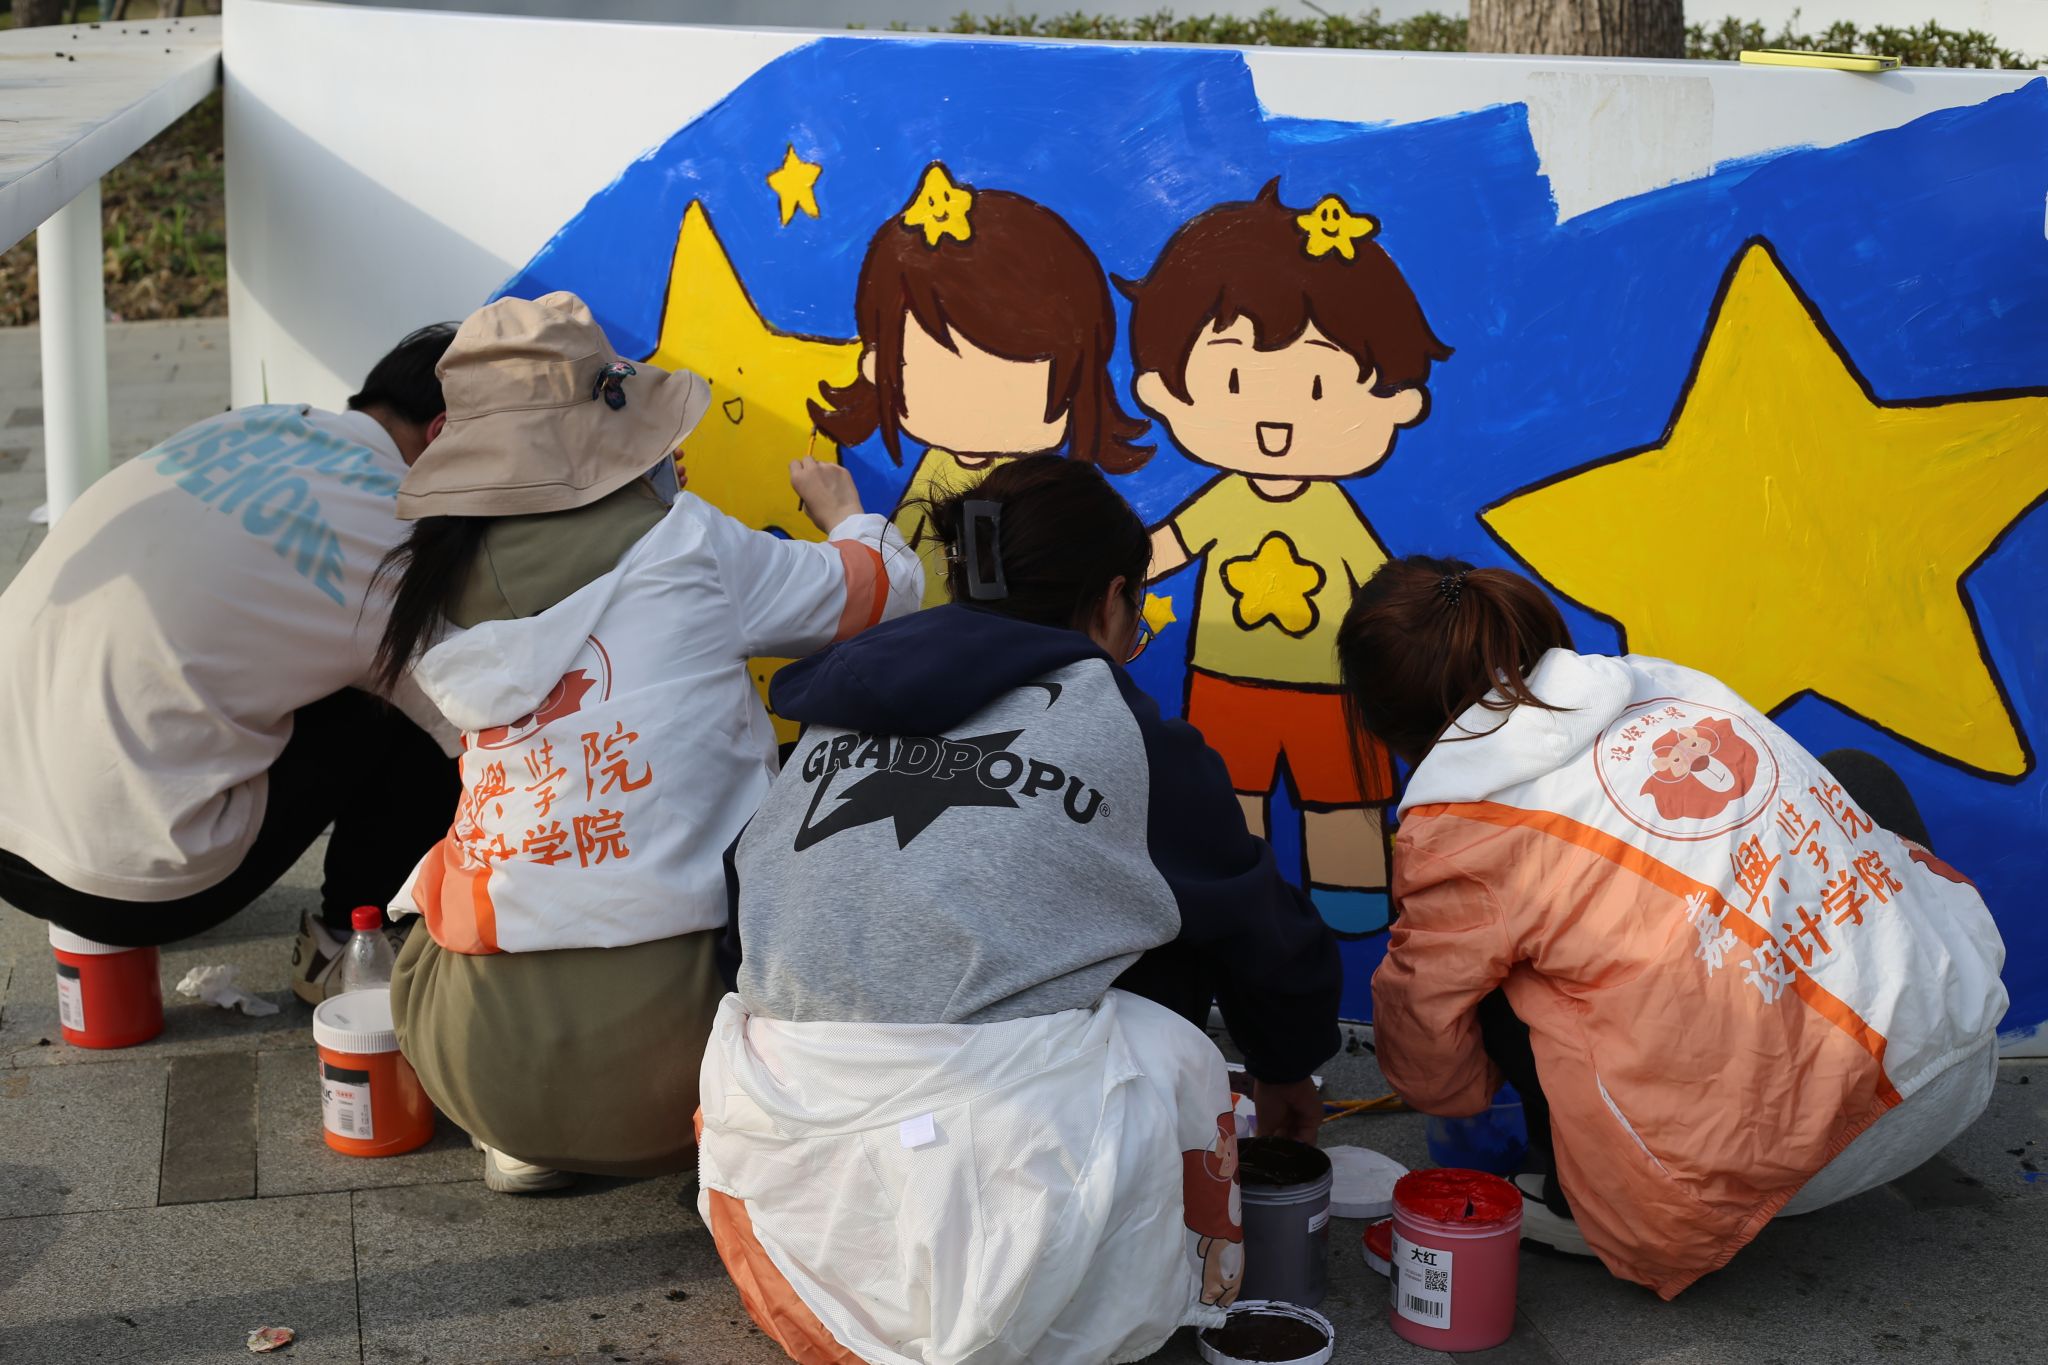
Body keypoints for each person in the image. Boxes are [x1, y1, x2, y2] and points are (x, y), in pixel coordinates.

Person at [700, 456, 1343, 1365]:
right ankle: (1105, 1282)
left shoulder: (836, 708)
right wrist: (1284, 1066)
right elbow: (1259, 928)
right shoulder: (1129, 735)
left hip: (780, 1155)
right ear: (1114, 599)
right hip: (1012, 1189)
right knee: (1176, 990)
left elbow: (751, 900)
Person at [1338, 555, 2008, 1300]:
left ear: (1385, 722)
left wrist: (1473, 1096)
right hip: (1949, 1074)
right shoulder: (1670, 688)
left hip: (1758, 1179)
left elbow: (1433, 1065)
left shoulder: (1458, 829)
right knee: (1855, 774)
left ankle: (1577, 1200)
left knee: (1480, 976)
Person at [378, 291, 921, 1193]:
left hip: (469, 1054)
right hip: (686, 1066)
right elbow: (883, 592)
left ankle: (529, 1141)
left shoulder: (431, 583)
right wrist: (846, 514)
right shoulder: (688, 543)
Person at [0, 325, 462, 1001]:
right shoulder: (397, 531)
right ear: (444, 434)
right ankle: (349, 946)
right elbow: (479, 724)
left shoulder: (254, 424)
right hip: (123, 892)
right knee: (420, 689)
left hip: (10, 836)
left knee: (306, 639)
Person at [1122, 179, 1451, 940]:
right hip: (1224, 682)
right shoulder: (1225, 498)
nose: (1275, 421)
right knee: (1229, 800)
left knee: (1345, 802)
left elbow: (1381, 585)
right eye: (1235, 380)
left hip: (1332, 688)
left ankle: (1352, 902)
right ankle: (1248, 915)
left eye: (1317, 385)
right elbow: (1165, 548)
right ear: (1166, 391)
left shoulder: (1332, 509)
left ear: (1394, 400)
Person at [809, 161, 1151, 609]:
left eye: (1014, 382)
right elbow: (904, 556)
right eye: (943, 376)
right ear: (877, 365)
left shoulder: (1036, 492)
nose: (978, 407)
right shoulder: (940, 472)